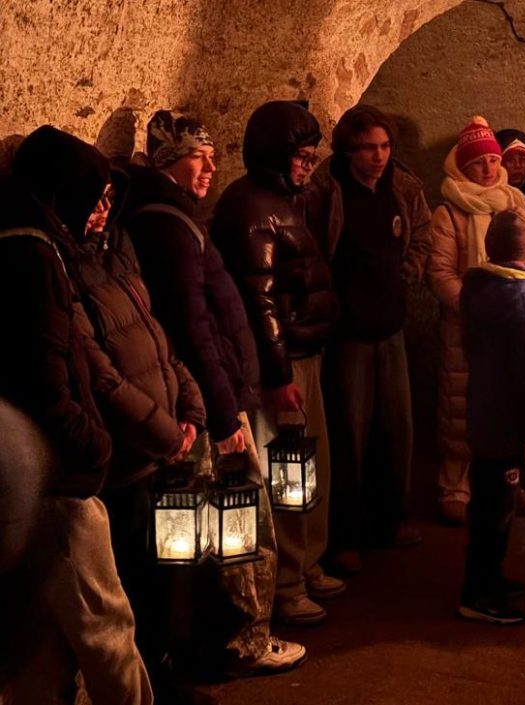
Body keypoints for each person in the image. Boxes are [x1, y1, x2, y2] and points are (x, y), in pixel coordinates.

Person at [127, 110, 305, 673]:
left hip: (214, 393)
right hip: (209, 402)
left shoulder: (177, 216)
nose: (209, 167)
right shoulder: (170, 226)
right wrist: (226, 416)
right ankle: (240, 642)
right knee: (238, 524)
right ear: (168, 161)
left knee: (223, 523)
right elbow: (192, 326)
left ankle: (220, 639)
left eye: (211, 156)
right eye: (196, 157)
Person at [0, 125, 151, 705]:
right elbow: (46, 373)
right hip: (56, 477)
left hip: (25, 478)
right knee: (105, 627)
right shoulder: (33, 254)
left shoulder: (22, 239)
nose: (100, 211)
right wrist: (92, 447)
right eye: (93, 195)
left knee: (37, 644)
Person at [70, 164, 209, 700]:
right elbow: (102, 375)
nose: (103, 211)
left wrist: (190, 405)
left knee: (163, 579)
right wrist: (165, 433)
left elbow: (156, 337)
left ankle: (167, 673)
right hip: (130, 454)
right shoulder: (66, 272)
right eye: (94, 199)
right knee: (132, 583)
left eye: (109, 199)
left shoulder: (115, 254)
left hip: (161, 441)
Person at [211, 100, 345, 626]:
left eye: (312, 157)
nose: (308, 166)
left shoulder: (283, 200)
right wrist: (279, 373)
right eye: (301, 157)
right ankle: (287, 582)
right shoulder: (251, 208)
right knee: (290, 474)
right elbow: (258, 297)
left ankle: (307, 563)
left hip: (303, 353)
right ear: (274, 154)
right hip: (285, 362)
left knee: (311, 470)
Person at [305, 104, 430, 576]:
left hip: (391, 324)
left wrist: (409, 270)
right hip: (348, 331)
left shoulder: (402, 185)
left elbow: (422, 232)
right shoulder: (326, 190)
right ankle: (346, 535)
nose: (379, 156)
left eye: (384, 146)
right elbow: (312, 249)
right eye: (368, 148)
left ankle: (392, 517)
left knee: (396, 429)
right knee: (348, 435)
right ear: (347, 150)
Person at [427, 116, 525, 526]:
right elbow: (441, 273)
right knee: (462, 406)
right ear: (463, 167)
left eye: (493, 161)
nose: (489, 169)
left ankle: (509, 481)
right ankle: (456, 485)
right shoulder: (450, 212)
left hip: (512, 328)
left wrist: (520, 299)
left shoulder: (516, 205)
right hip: (468, 328)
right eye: (479, 163)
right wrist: (479, 305)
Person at [458, 208, 525, 624]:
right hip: (506, 424)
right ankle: (478, 594)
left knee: (487, 505)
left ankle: (488, 577)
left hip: (482, 416)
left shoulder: (476, 287)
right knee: (497, 513)